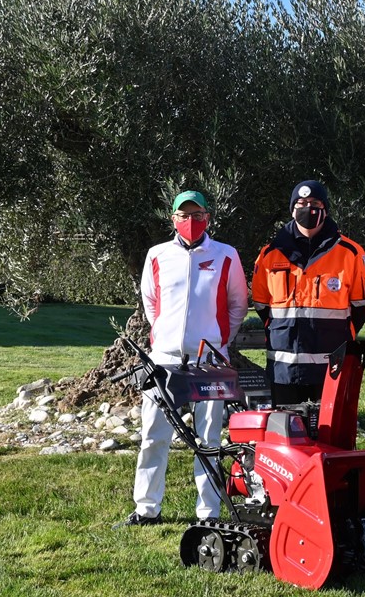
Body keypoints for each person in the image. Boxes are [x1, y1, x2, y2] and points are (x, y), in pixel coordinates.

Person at [117, 190, 248, 527]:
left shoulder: (226, 255)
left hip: (210, 362)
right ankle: (147, 509)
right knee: (153, 435)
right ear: (173, 219)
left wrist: (220, 340)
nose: (191, 222)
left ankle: (209, 512)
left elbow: (238, 304)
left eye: (198, 214)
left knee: (209, 440)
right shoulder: (157, 255)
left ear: (208, 217)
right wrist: (164, 333)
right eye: (184, 215)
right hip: (163, 359)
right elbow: (150, 300)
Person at [251, 180, 365, 406]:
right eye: (301, 203)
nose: (307, 208)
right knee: (288, 432)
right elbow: (261, 304)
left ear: (325, 208)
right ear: (292, 209)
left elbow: (364, 303)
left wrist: (344, 329)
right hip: (284, 365)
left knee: (330, 434)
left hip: (331, 363)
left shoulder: (350, 253)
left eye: (314, 203)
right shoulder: (270, 254)